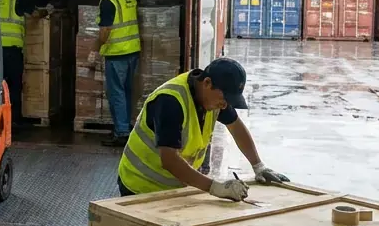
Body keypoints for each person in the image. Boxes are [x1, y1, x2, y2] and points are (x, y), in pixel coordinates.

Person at [116, 57, 289, 200]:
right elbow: (169, 160)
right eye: (224, 97)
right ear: (207, 83)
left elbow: (236, 127)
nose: (225, 104)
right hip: (140, 186)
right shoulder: (171, 101)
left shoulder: (214, 99)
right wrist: (215, 187)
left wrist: (258, 166)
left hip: (175, 187)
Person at [87, 0, 140, 146]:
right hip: (133, 51)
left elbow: (105, 31)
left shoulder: (108, 1)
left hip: (117, 53)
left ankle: (121, 132)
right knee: (126, 92)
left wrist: (95, 50)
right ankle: (125, 127)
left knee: (116, 93)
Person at [0, 0, 45, 123]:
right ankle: (14, 119)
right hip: (12, 50)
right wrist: (47, 10)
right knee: (14, 85)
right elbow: (36, 14)